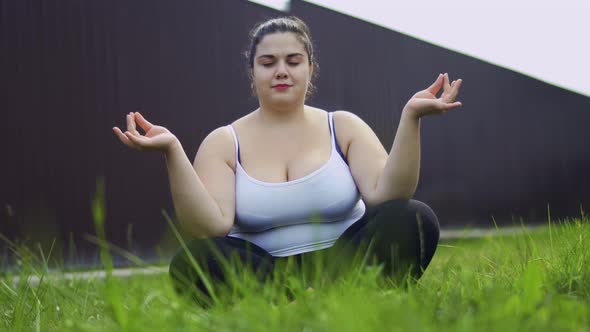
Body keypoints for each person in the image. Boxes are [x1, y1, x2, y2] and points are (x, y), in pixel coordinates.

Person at [112, 16, 463, 305]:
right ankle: (296, 302)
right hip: (266, 273)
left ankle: (337, 293)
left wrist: (410, 118)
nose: (281, 71)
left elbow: (389, 196)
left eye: (293, 61)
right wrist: (173, 151)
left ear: (311, 68)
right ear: (252, 71)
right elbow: (210, 227)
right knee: (194, 262)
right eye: (268, 63)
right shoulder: (223, 142)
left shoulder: (342, 125)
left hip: (347, 260)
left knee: (412, 218)